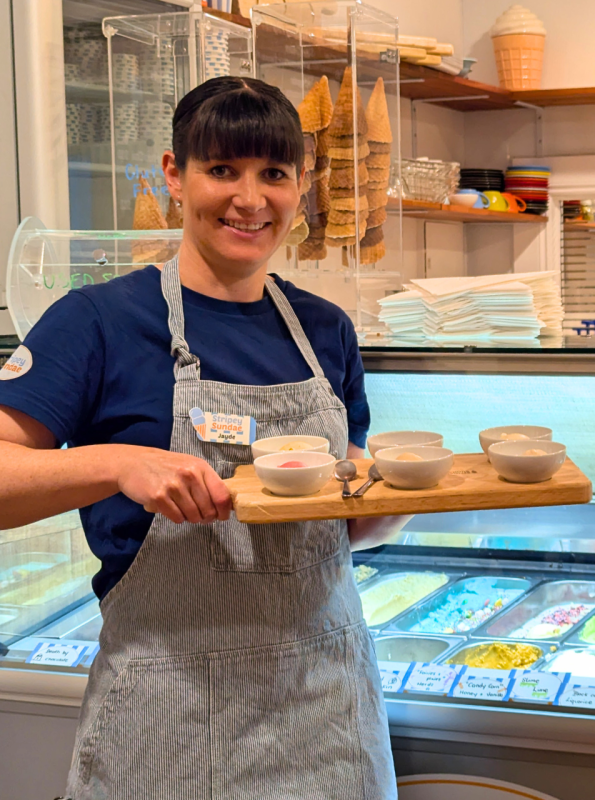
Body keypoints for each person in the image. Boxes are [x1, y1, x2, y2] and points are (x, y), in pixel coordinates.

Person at [0, 77, 401, 799]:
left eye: (274, 174)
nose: (251, 199)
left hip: (327, 714)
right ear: (175, 176)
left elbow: (351, 514)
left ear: (302, 184)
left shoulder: (326, 331)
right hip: (169, 718)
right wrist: (120, 463)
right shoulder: (97, 321)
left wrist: (393, 500)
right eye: (222, 170)